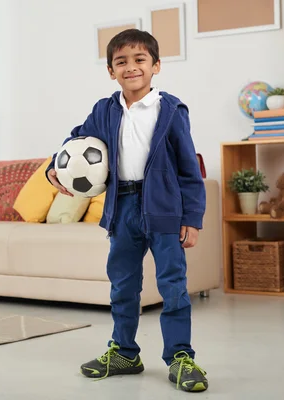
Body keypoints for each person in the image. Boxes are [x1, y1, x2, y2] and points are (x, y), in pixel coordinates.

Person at [45, 29, 208, 392]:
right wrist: (53, 169)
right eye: (122, 62)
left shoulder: (171, 110)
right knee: (122, 286)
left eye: (139, 60)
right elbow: (73, 145)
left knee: (173, 286)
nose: (131, 67)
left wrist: (192, 219)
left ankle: (180, 357)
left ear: (156, 66)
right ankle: (124, 352)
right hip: (123, 210)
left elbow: (189, 169)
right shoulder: (104, 111)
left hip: (164, 209)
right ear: (110, 71)